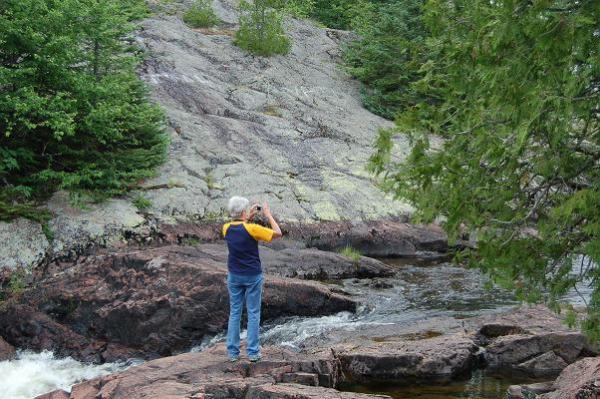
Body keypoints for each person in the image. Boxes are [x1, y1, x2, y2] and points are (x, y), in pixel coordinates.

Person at [222, 196, 282, 362]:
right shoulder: (252, 229)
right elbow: (278, 233)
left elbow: (239, 223)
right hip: (252, 275)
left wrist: (248, 214)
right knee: (253, 313)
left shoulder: (226, 228)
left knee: (235, 313)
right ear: (243, 212)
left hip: (234, 275)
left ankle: (233, 353)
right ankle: (253, 353)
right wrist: (268, 215)